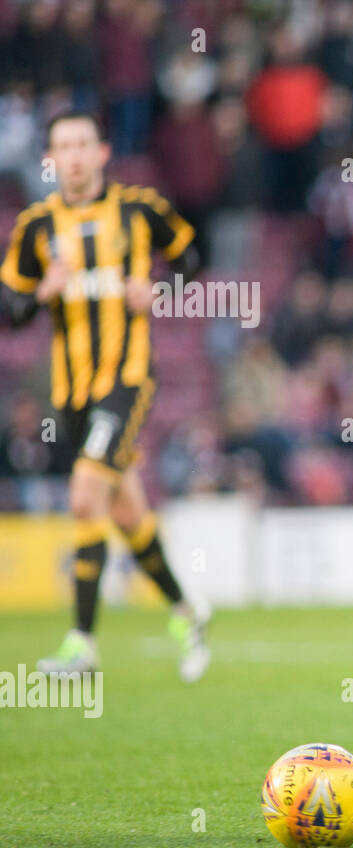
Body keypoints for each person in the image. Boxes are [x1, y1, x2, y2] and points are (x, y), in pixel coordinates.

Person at [0, 111, 211, 682]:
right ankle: (188, 612)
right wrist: (40, 293)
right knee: (125, 513)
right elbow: (9, 308)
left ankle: (82, 646)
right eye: (61, 146)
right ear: (50, 159)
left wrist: (162, 287)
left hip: (127, 380)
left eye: (81, 144)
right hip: (70, 395)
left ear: (102, 152)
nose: (72, 156)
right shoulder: (36, 228)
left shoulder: (140, 209)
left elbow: (193, 255)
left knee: (84, 496)